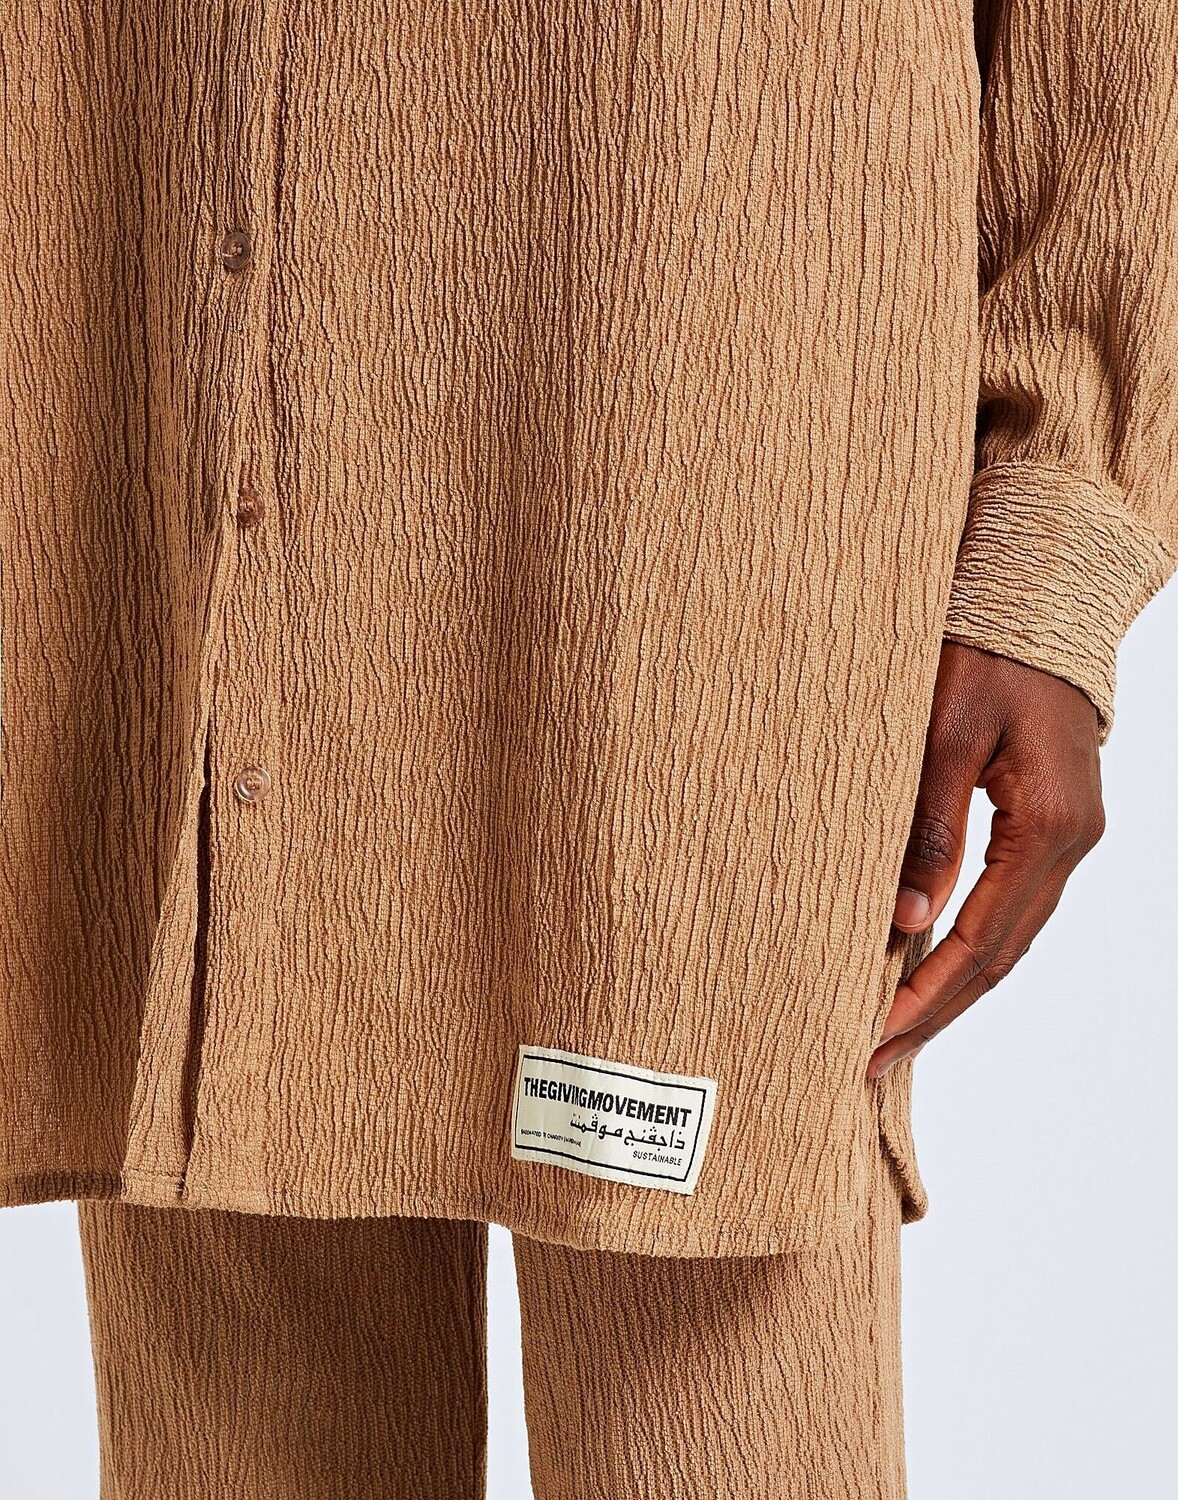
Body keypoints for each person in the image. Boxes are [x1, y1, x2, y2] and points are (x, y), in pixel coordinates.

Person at [2, 1, 1175, 1495]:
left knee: (714, 1374)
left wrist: (1050, 551)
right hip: (178, 437)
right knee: (235, 1387)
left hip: (699, 506)